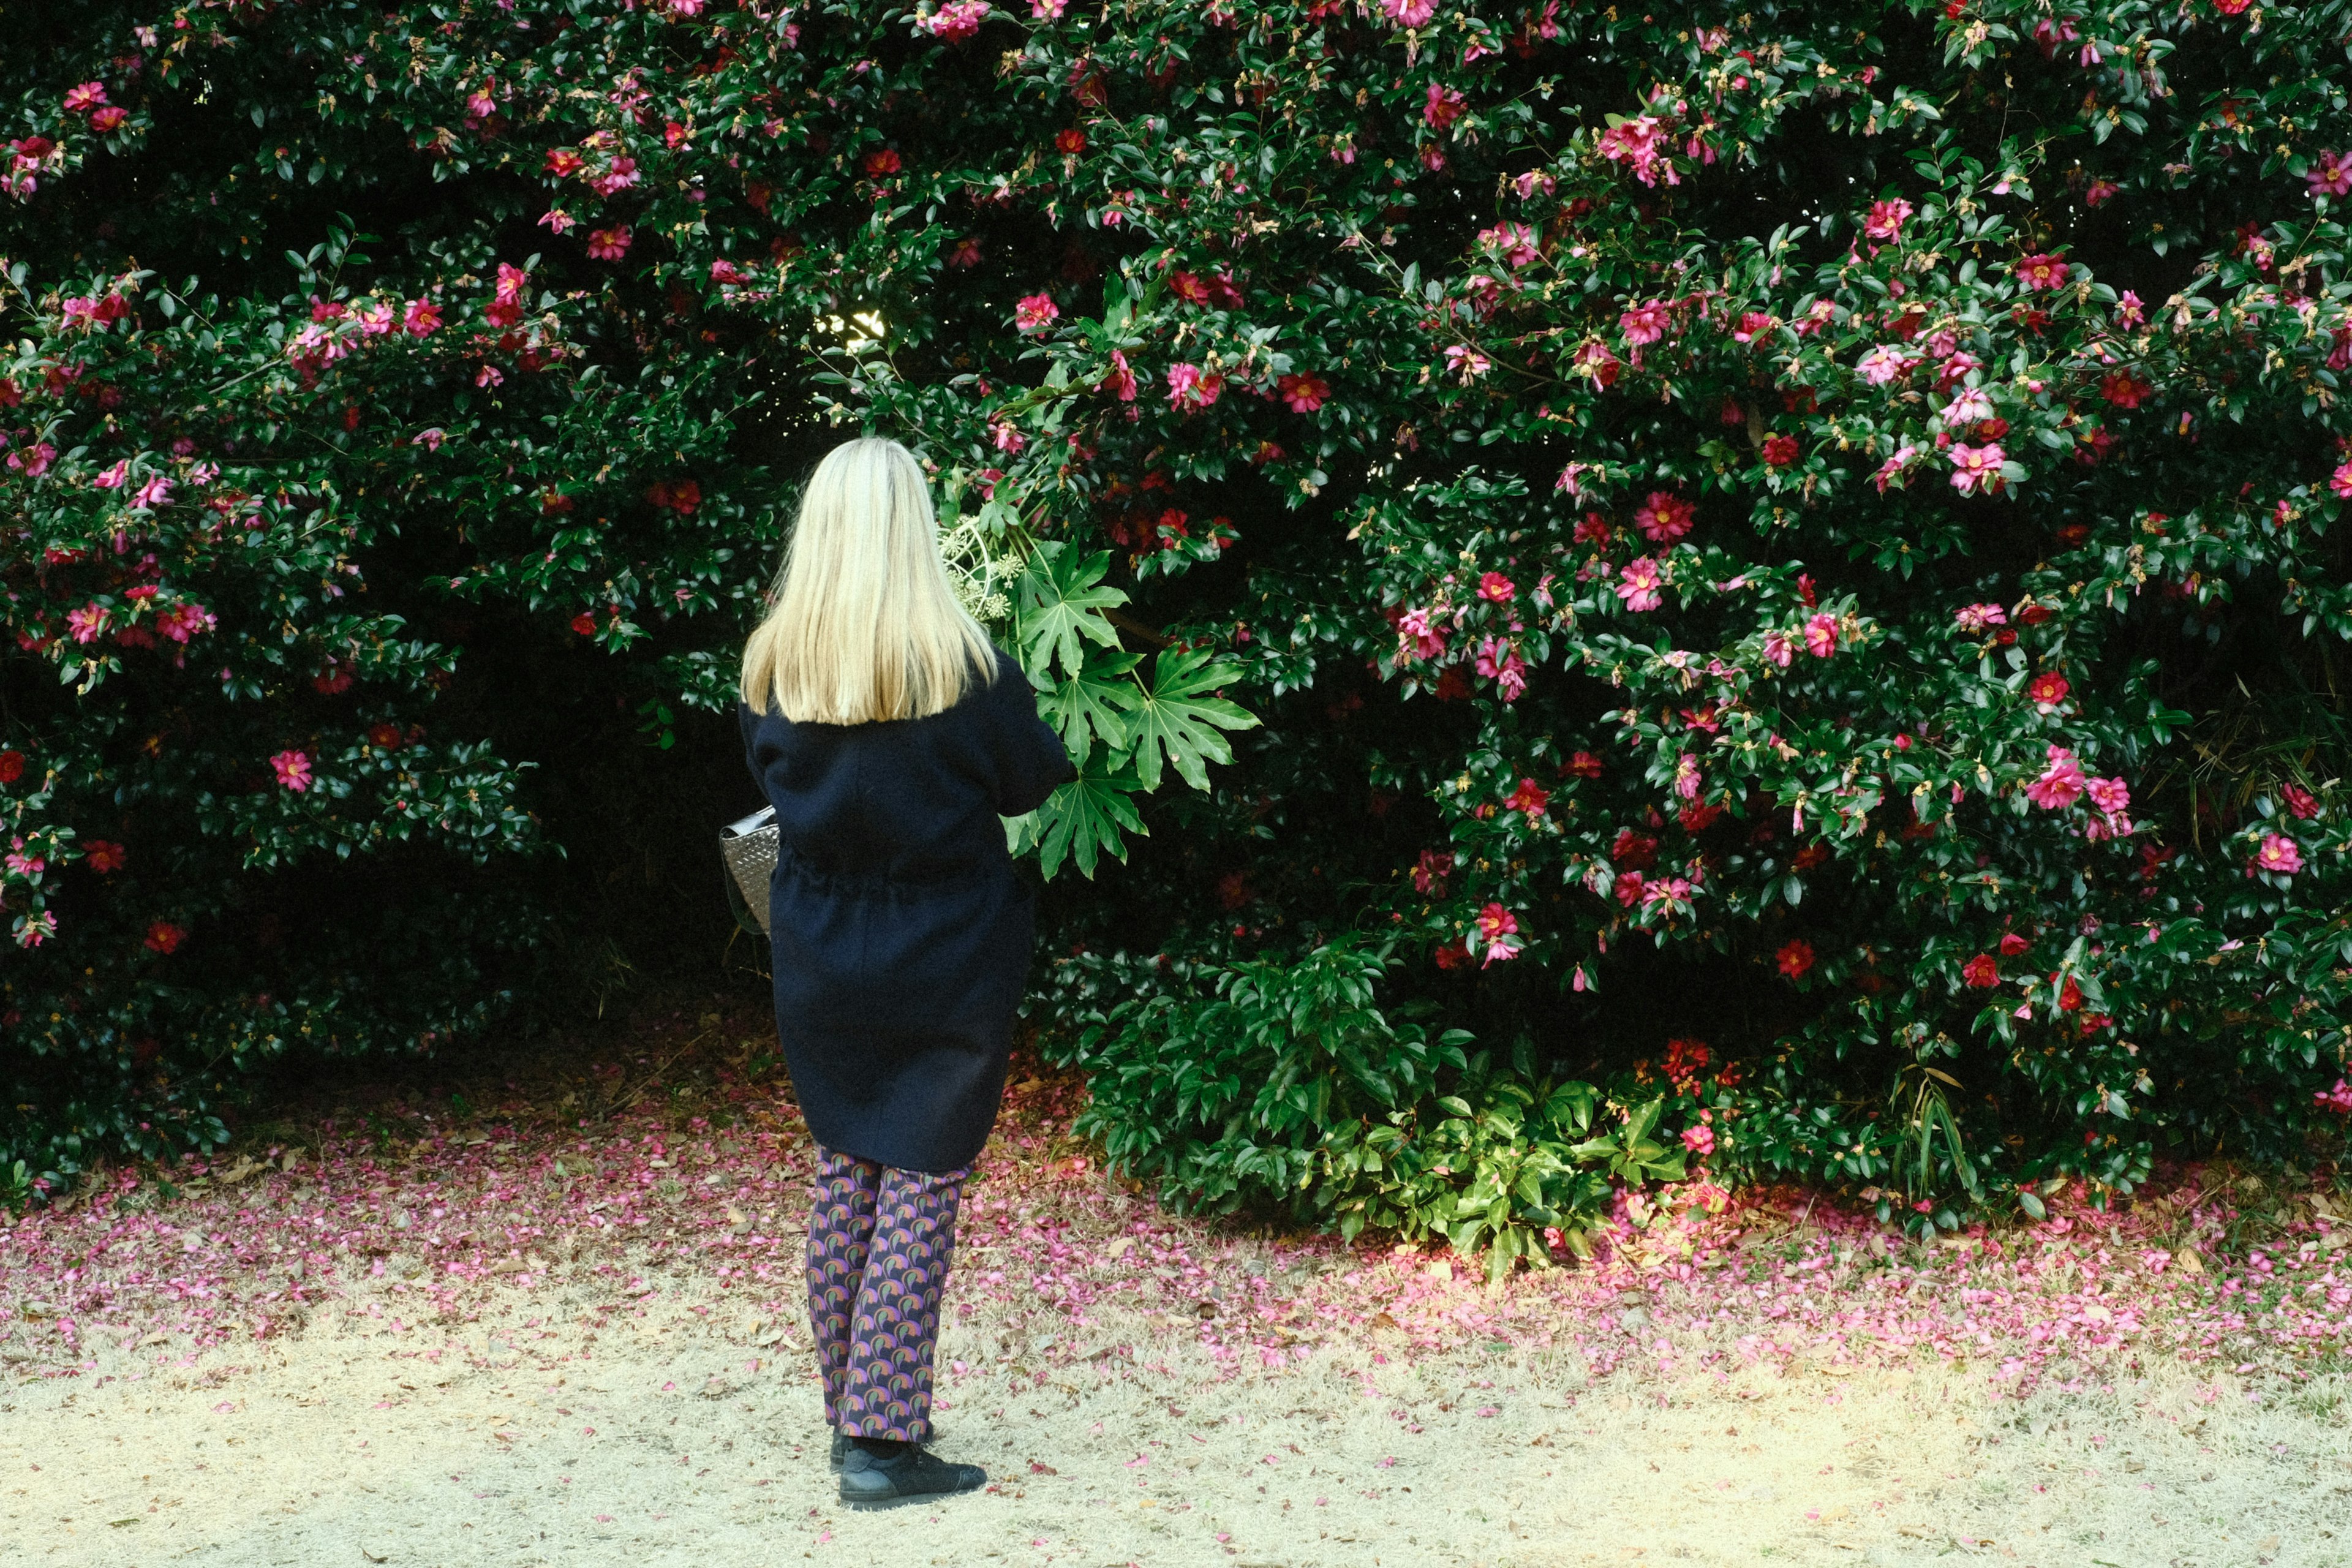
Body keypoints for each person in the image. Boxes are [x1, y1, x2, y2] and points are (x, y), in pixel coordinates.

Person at [737, 436, 1074, 1510]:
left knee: (849, 1167)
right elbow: (1029, 787)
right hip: (948, 950)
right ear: (916, 535)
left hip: (820, 952)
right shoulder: (965, 673)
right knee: (923, 1179)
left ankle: (855, 1418)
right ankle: (882, 1446)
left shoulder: (773, 670)